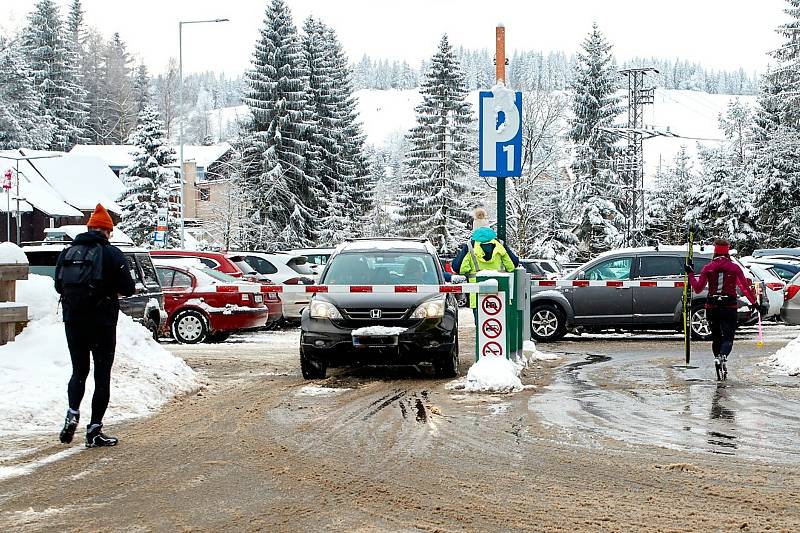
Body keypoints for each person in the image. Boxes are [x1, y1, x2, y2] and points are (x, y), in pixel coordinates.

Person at [55, 204, 136, 447]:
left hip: (73, 320)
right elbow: (128, 289)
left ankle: (72, 412)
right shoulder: (112, 254)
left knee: (79, 371)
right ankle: (94, 430)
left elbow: (59, 286)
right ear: (108, 231)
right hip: (102, 322)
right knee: (102, 376)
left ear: (89, 228)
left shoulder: (67, 252)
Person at [685, 239, 757, 379]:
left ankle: (717, 359)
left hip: (712, 306)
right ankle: (723, 355)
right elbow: (744, 287)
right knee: (728, 337)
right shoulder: (734, 268)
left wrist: (690, 274)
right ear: (728, 252)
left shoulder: (708, 267)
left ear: (715, 251)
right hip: (729, 306)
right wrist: (754, 303)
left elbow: (698, 288)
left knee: (716, 337)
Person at [458, 224, 517, 323]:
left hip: (477, 294)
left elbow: (461, 269)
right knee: (498, 325)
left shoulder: (471, 248)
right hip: (499, 293)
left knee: (481, 327)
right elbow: (511, 266)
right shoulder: (500, 247)